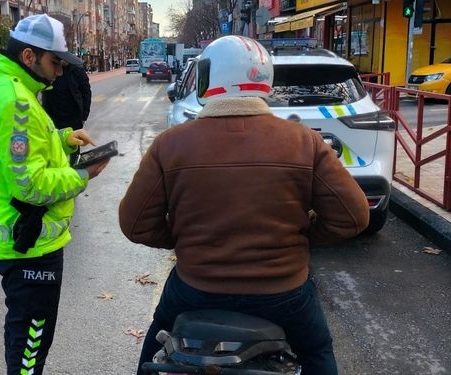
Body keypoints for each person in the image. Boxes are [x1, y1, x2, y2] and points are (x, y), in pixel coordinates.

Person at [118, 36, 369, 375]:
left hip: (196, 288)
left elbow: (134, 224)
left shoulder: (170, 144)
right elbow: (353, 217)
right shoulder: (303, 141)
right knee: (317, 350)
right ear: (264, 80)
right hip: (284, 292)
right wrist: (303, 234)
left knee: (156, 341)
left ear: (209, 79)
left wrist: (184, 238)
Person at [0, 14, 109, 375]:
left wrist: (63, 138)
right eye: (55, 62)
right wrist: (83, 173)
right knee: (31, 342)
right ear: (29, 57)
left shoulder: (2, 85)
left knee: (22, 329)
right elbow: (29, 186)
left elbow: (18, 153)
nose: (60, 72)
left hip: (19, 238)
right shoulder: (16, 101)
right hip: (30, 243)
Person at [41, 60, 91, 164]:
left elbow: (86, 92)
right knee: (55, 149)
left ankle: (74, 170)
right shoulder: (49, 67)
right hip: (53, 118)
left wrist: (83, 116)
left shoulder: (76, 69)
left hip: (73, 119)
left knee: (74, 152)